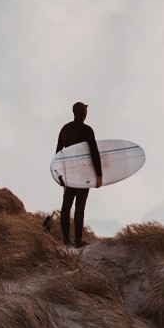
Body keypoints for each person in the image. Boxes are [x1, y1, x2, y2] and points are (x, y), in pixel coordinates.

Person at [49, 101, 102, 247]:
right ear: (84, 114)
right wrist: (99, 175)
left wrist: (58, 175)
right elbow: (94, 153)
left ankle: (66, 239)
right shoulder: (87, 130)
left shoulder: (65, 129)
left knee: (66, 206)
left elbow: (58, 154)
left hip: (69, 174)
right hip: (83, 174)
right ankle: (78, 241)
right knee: (79, 207)